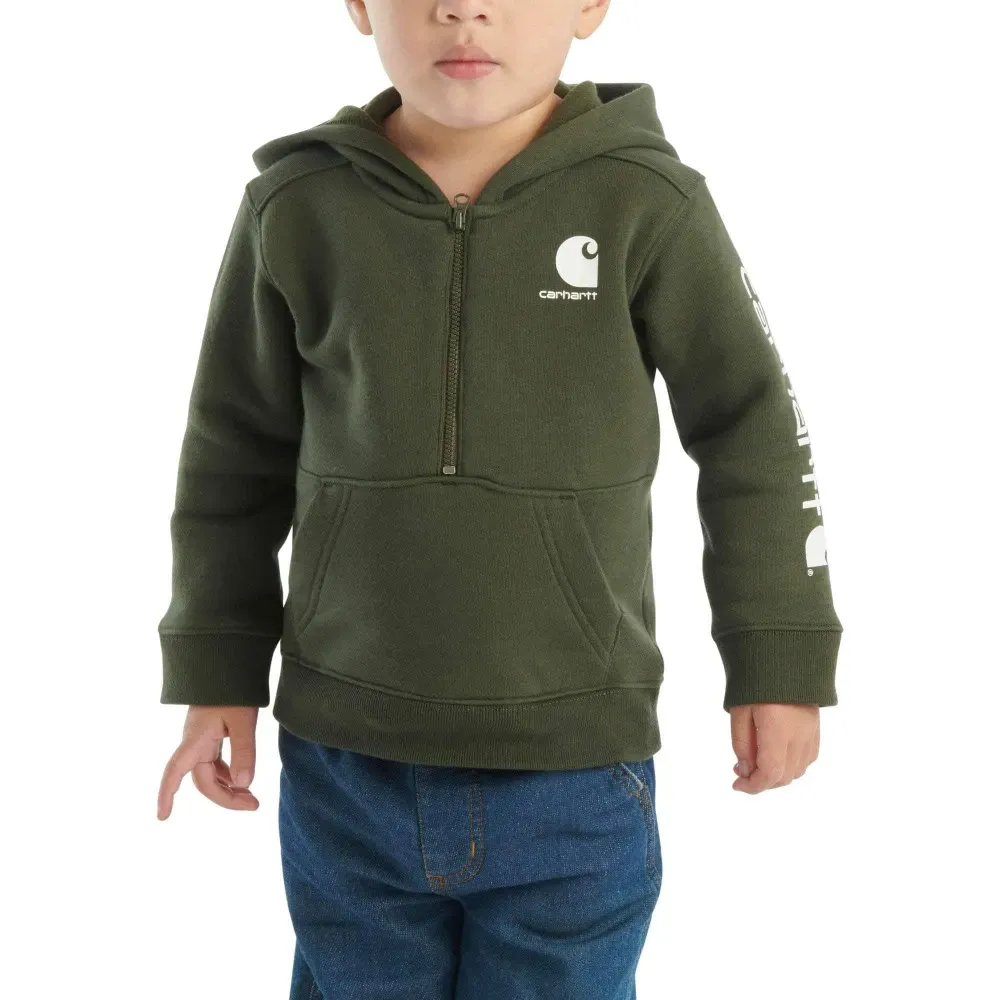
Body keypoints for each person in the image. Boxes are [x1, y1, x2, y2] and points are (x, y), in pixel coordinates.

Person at [155, 1, 844, 996]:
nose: (464, 8)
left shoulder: (647, 201)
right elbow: (232, 455)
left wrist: (778, 660)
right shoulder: (296, 207)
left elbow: (753, 434)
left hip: (574, 769)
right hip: (346, 766)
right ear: (358, 5)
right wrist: (215, 669)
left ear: (589, 5)